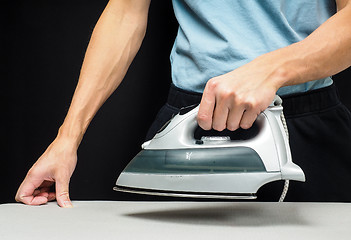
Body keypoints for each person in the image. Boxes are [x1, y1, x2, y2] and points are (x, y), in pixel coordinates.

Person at [15, 0, 351, 207]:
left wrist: (272, 69)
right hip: (194, 118)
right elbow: (124, 14)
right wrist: (67, 138)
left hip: (305, 122)